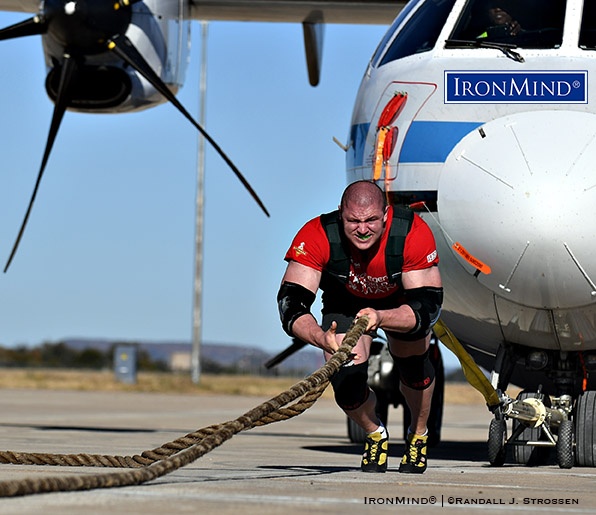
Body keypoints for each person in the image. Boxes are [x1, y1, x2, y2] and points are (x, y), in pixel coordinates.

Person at [277, 181, 442, 474]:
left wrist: (381, 317)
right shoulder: (317, 235)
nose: (362, 229)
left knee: (415, 369)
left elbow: (427, 307)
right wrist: (319, 336)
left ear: (386, 215)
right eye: (353, 221)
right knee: (346, 382)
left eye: (370, 221)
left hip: (401, 301)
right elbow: (291, 305)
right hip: (345, 301)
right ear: (342, 214)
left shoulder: (411, 233)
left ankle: (418, 434)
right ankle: (375, 432)